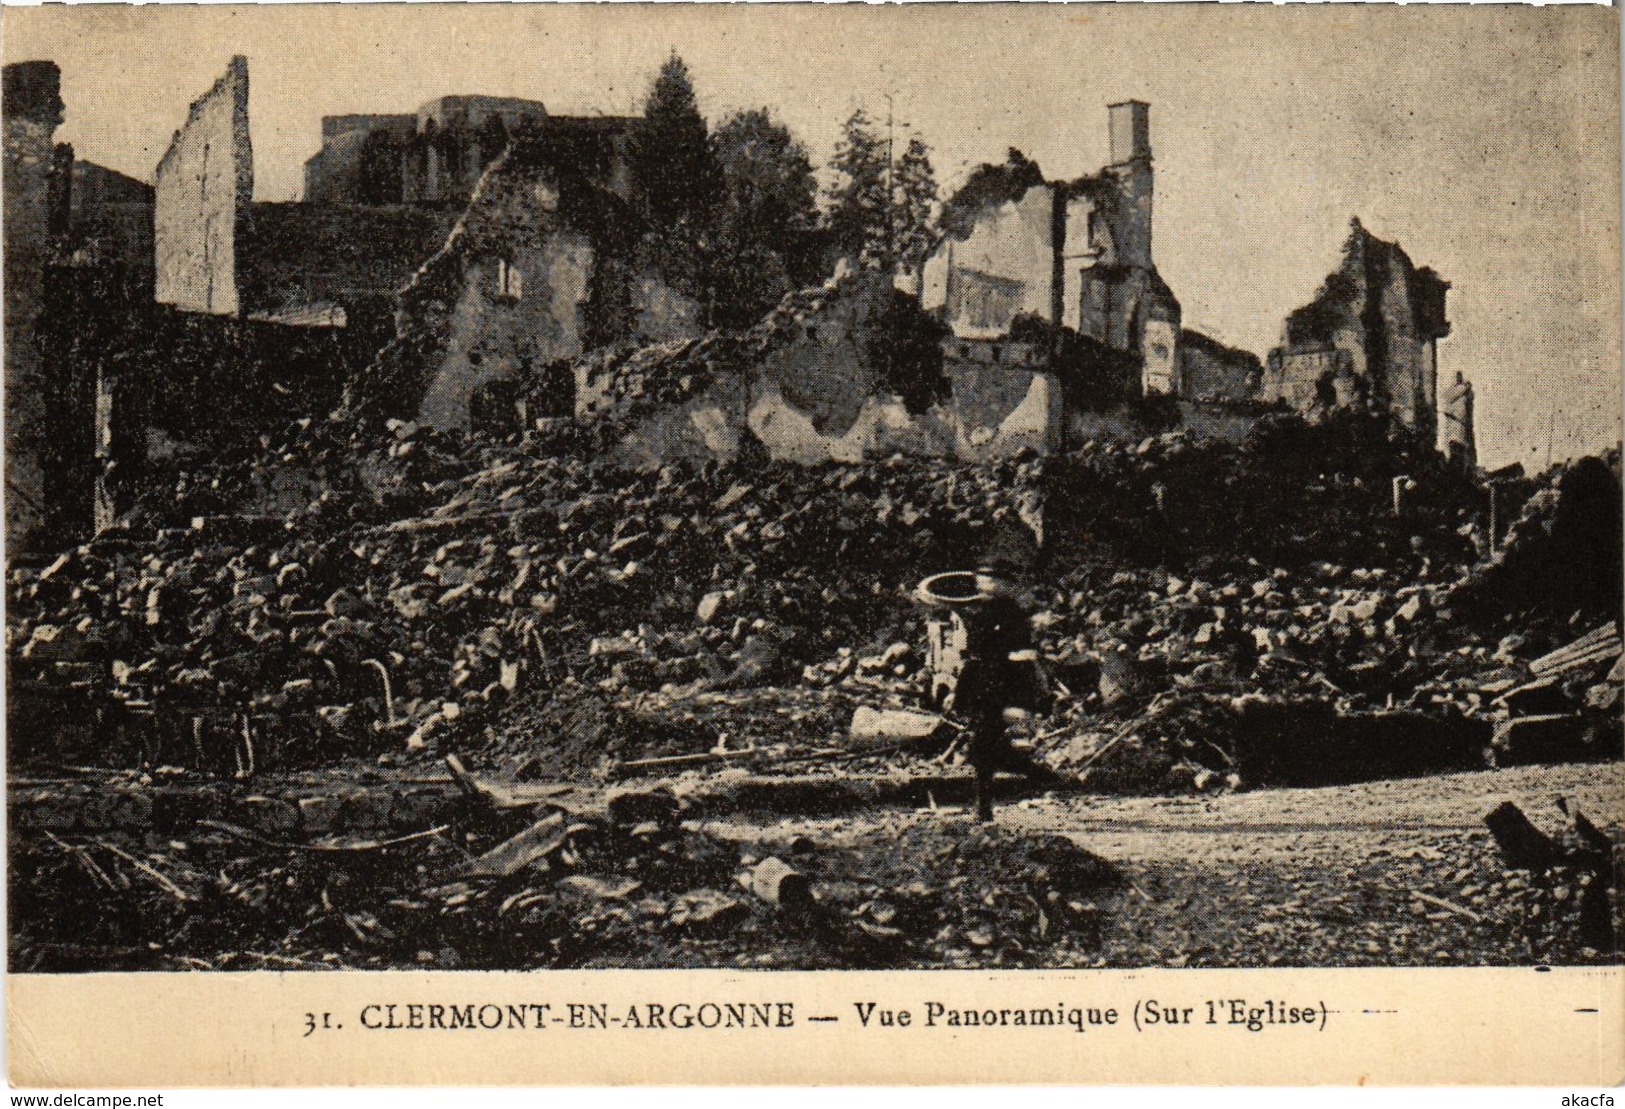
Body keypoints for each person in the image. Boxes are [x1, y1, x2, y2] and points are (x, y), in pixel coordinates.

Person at [947, 558, 1051, 822]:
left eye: (991, 579)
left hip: (1002, 677)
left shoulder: (1009, 612)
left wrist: (1029, 687)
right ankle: (1018, 770)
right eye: (982, 579)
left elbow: (1022, 651)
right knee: (983, 737)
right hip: (980, 676)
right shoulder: (975, 610)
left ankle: (985, 805)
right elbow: (967, 648)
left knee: (983, 738)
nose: (985, 584)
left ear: (1005, 584)